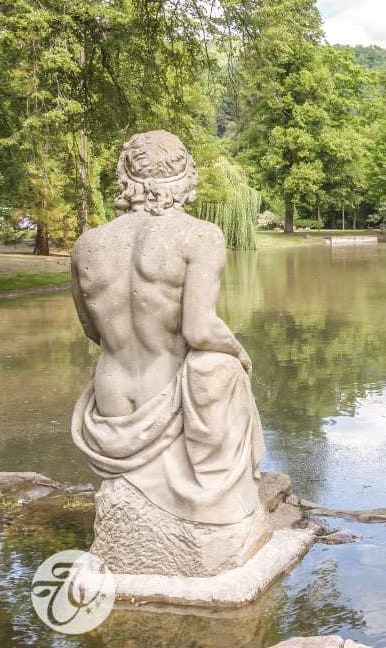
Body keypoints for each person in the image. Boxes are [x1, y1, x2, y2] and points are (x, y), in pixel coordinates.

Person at [70, 130, 265, 528]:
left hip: (111, 399)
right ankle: (222, 517)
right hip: (167, 390)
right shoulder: (199, 236)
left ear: (125, 175)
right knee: (224, 368)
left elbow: (92, 329)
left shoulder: (88, 245)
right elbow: (200, 330)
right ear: (186, 176)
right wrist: (241, 355)